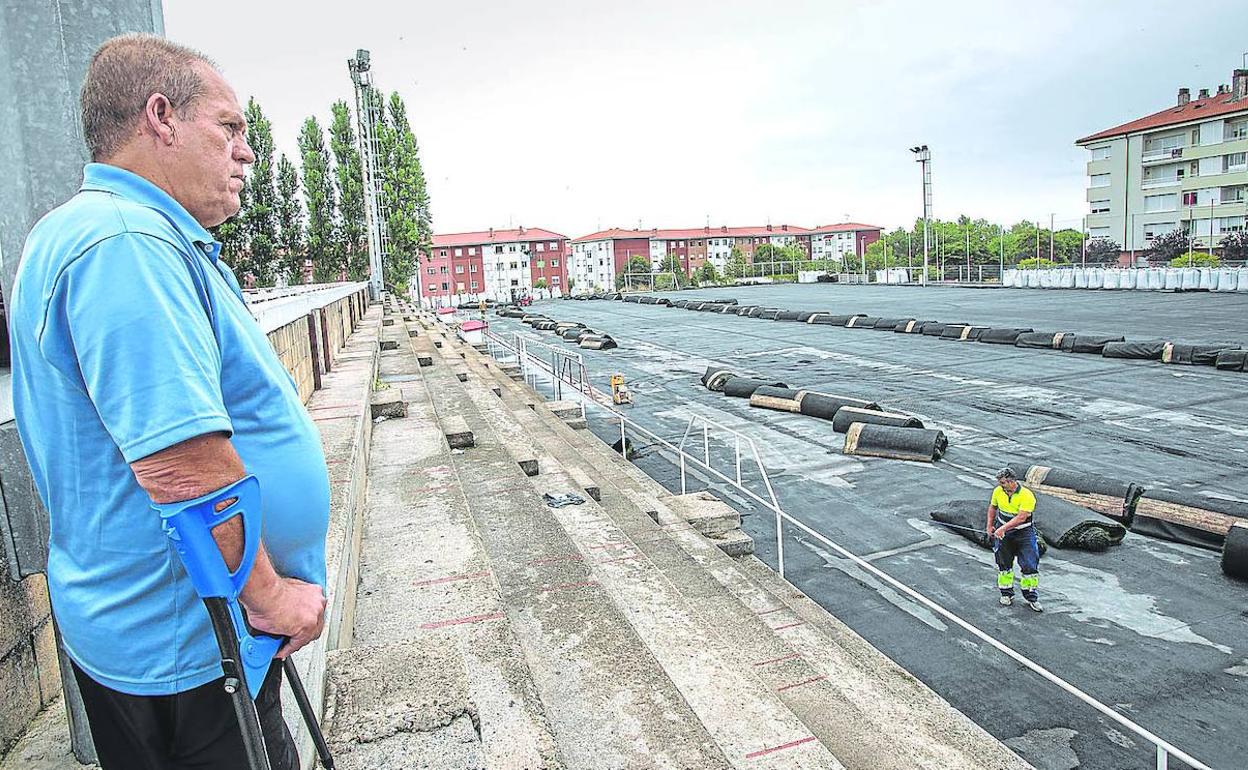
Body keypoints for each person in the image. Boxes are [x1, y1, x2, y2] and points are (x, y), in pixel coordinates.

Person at [9, 34, 329, 769]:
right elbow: (182, 464)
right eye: (230, 127)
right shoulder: (126, 244)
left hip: (165, 638)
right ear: (162, 117)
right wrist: (270, 597)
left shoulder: (105, 232)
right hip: (194, 646)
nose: (246, 153)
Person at [987, 468, 1042, 612]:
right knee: (1003, 563)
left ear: (1012, 481)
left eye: (1003, 483)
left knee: (1030, 564)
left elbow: (1021, 517)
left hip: (1023, 534)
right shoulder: (998, 492)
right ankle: (1006, 594)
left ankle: (1031, 596)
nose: (1001, 486)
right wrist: (990, 526)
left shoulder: (1026, 496)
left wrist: (1003, 529)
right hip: (1003, 533)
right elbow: (993, 508)